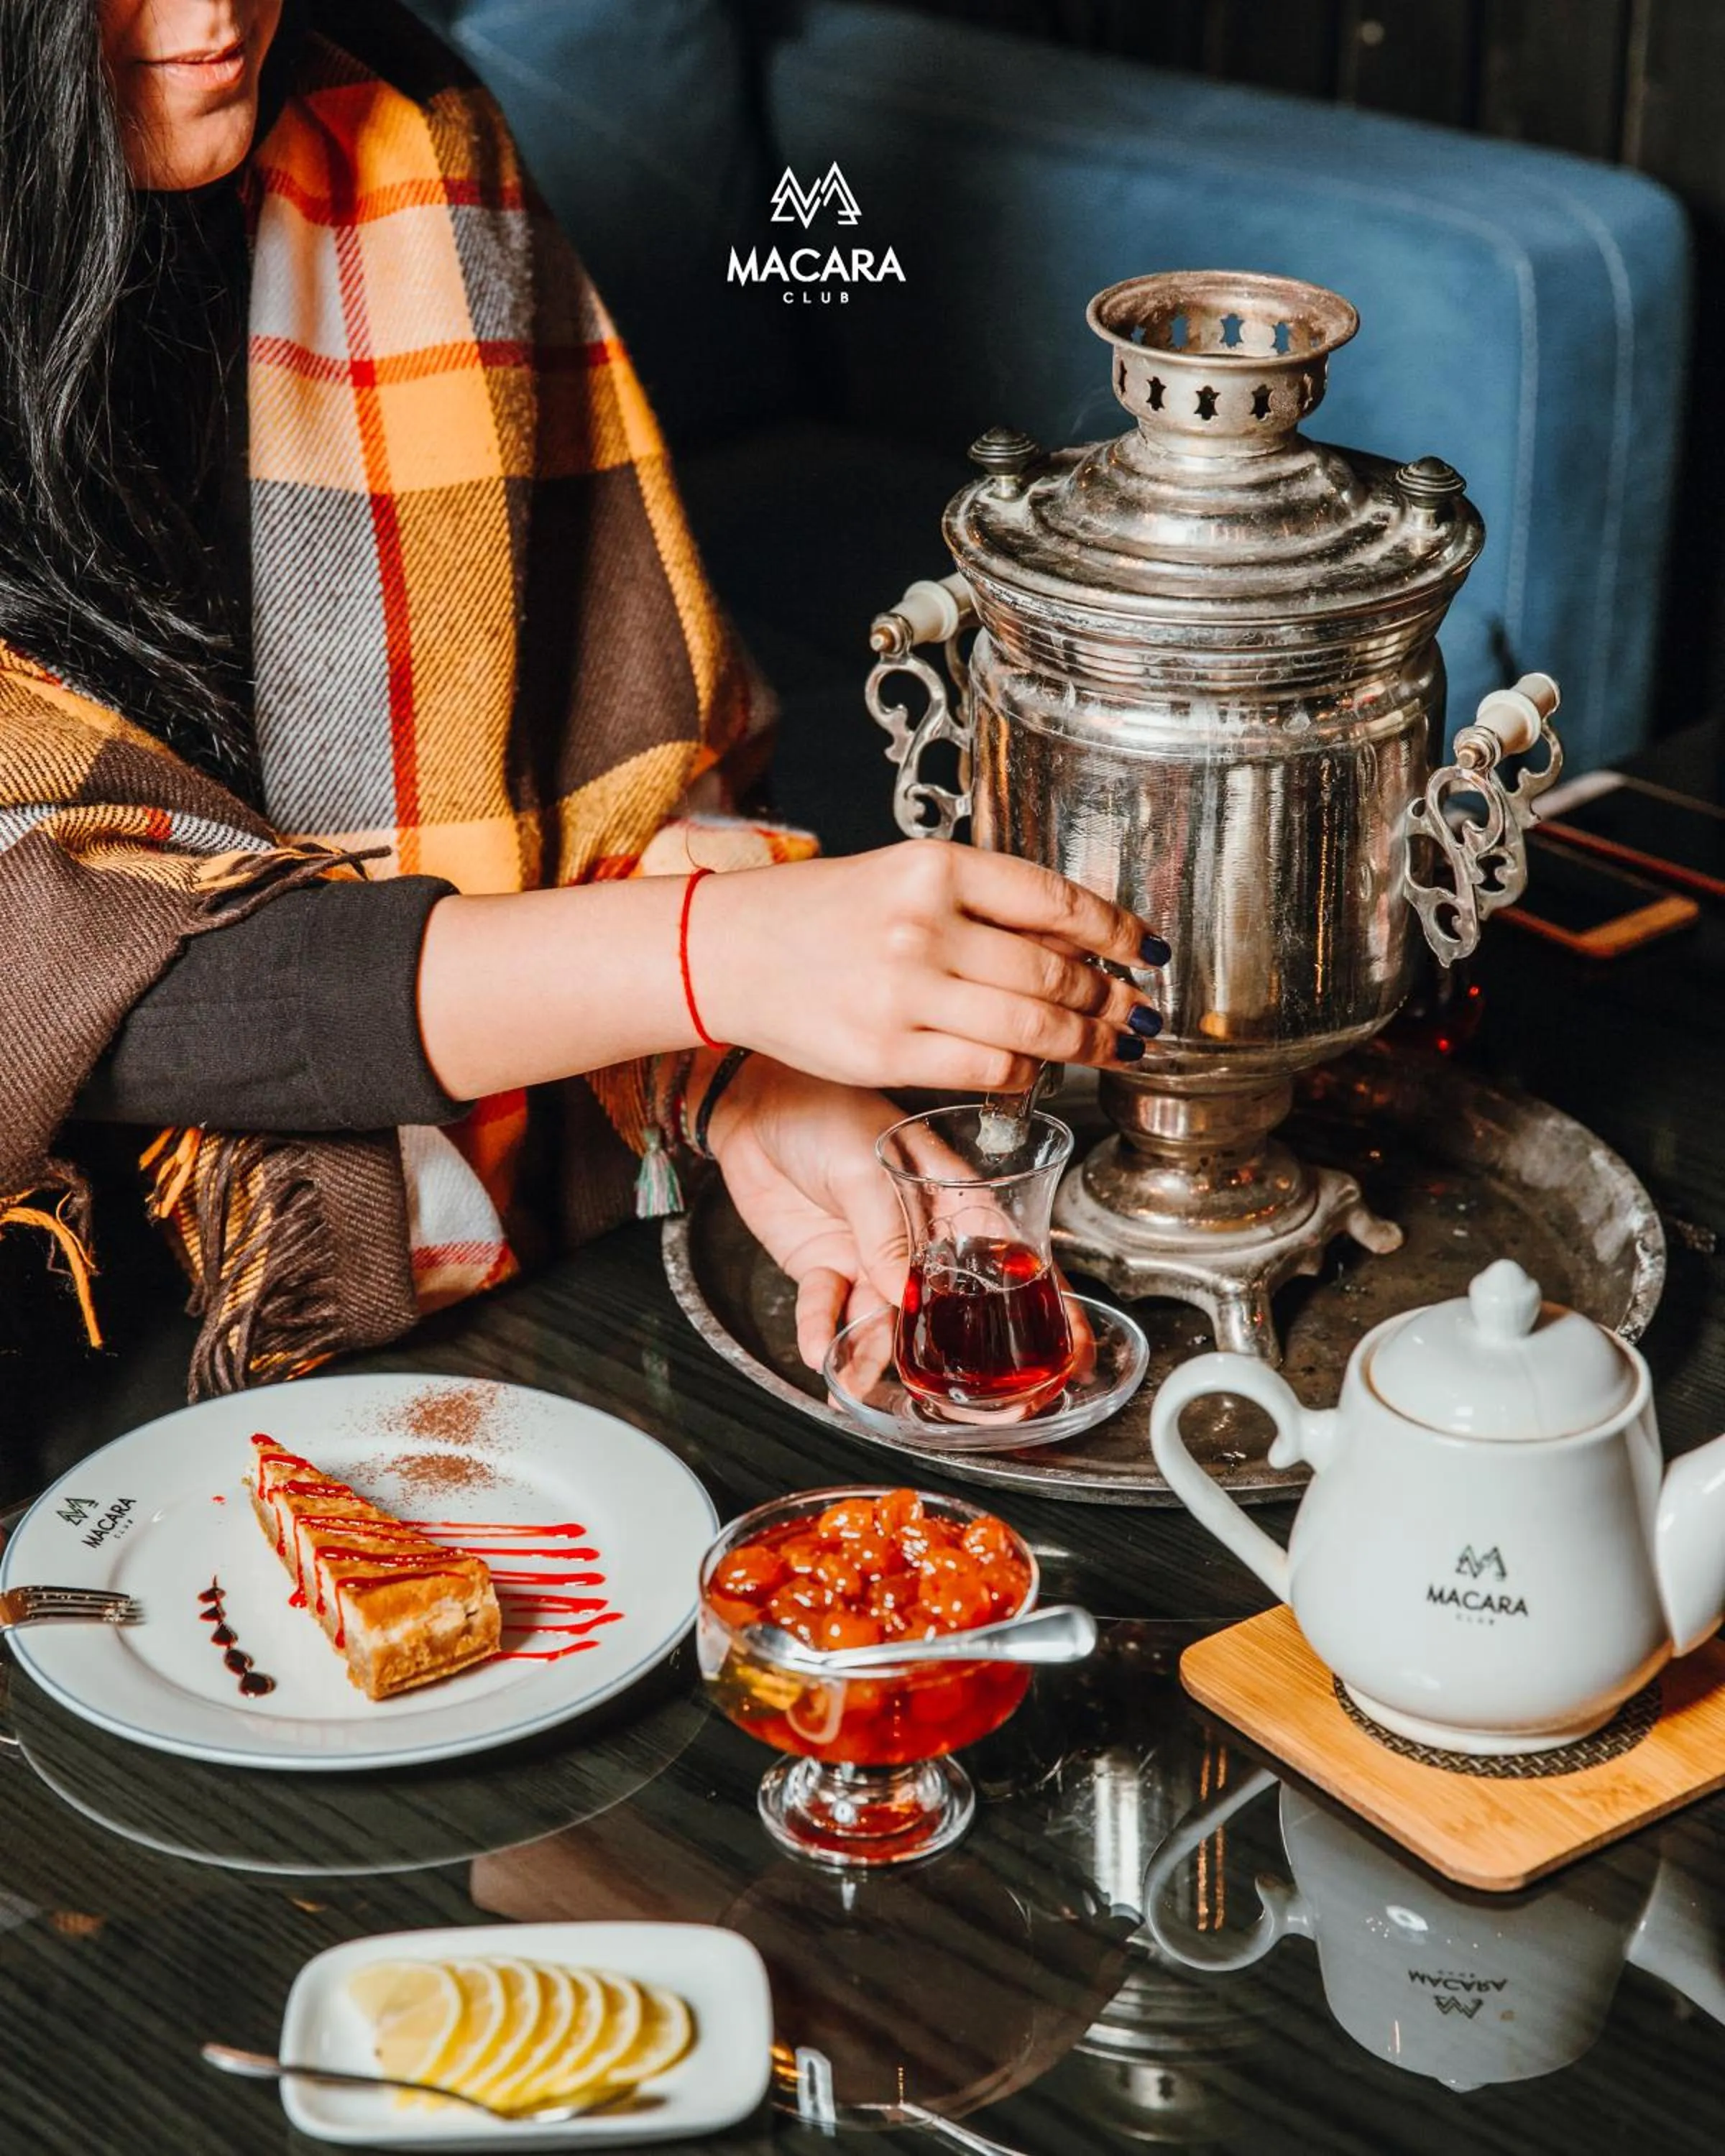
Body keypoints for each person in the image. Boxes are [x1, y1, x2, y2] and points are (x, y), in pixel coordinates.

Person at [0, 0, 1165, 1404]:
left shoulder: (402, 132)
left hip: (417, 1228)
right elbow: (53, 969)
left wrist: (737, 1077)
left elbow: (605, 744)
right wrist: (712, 958)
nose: (218, 13)